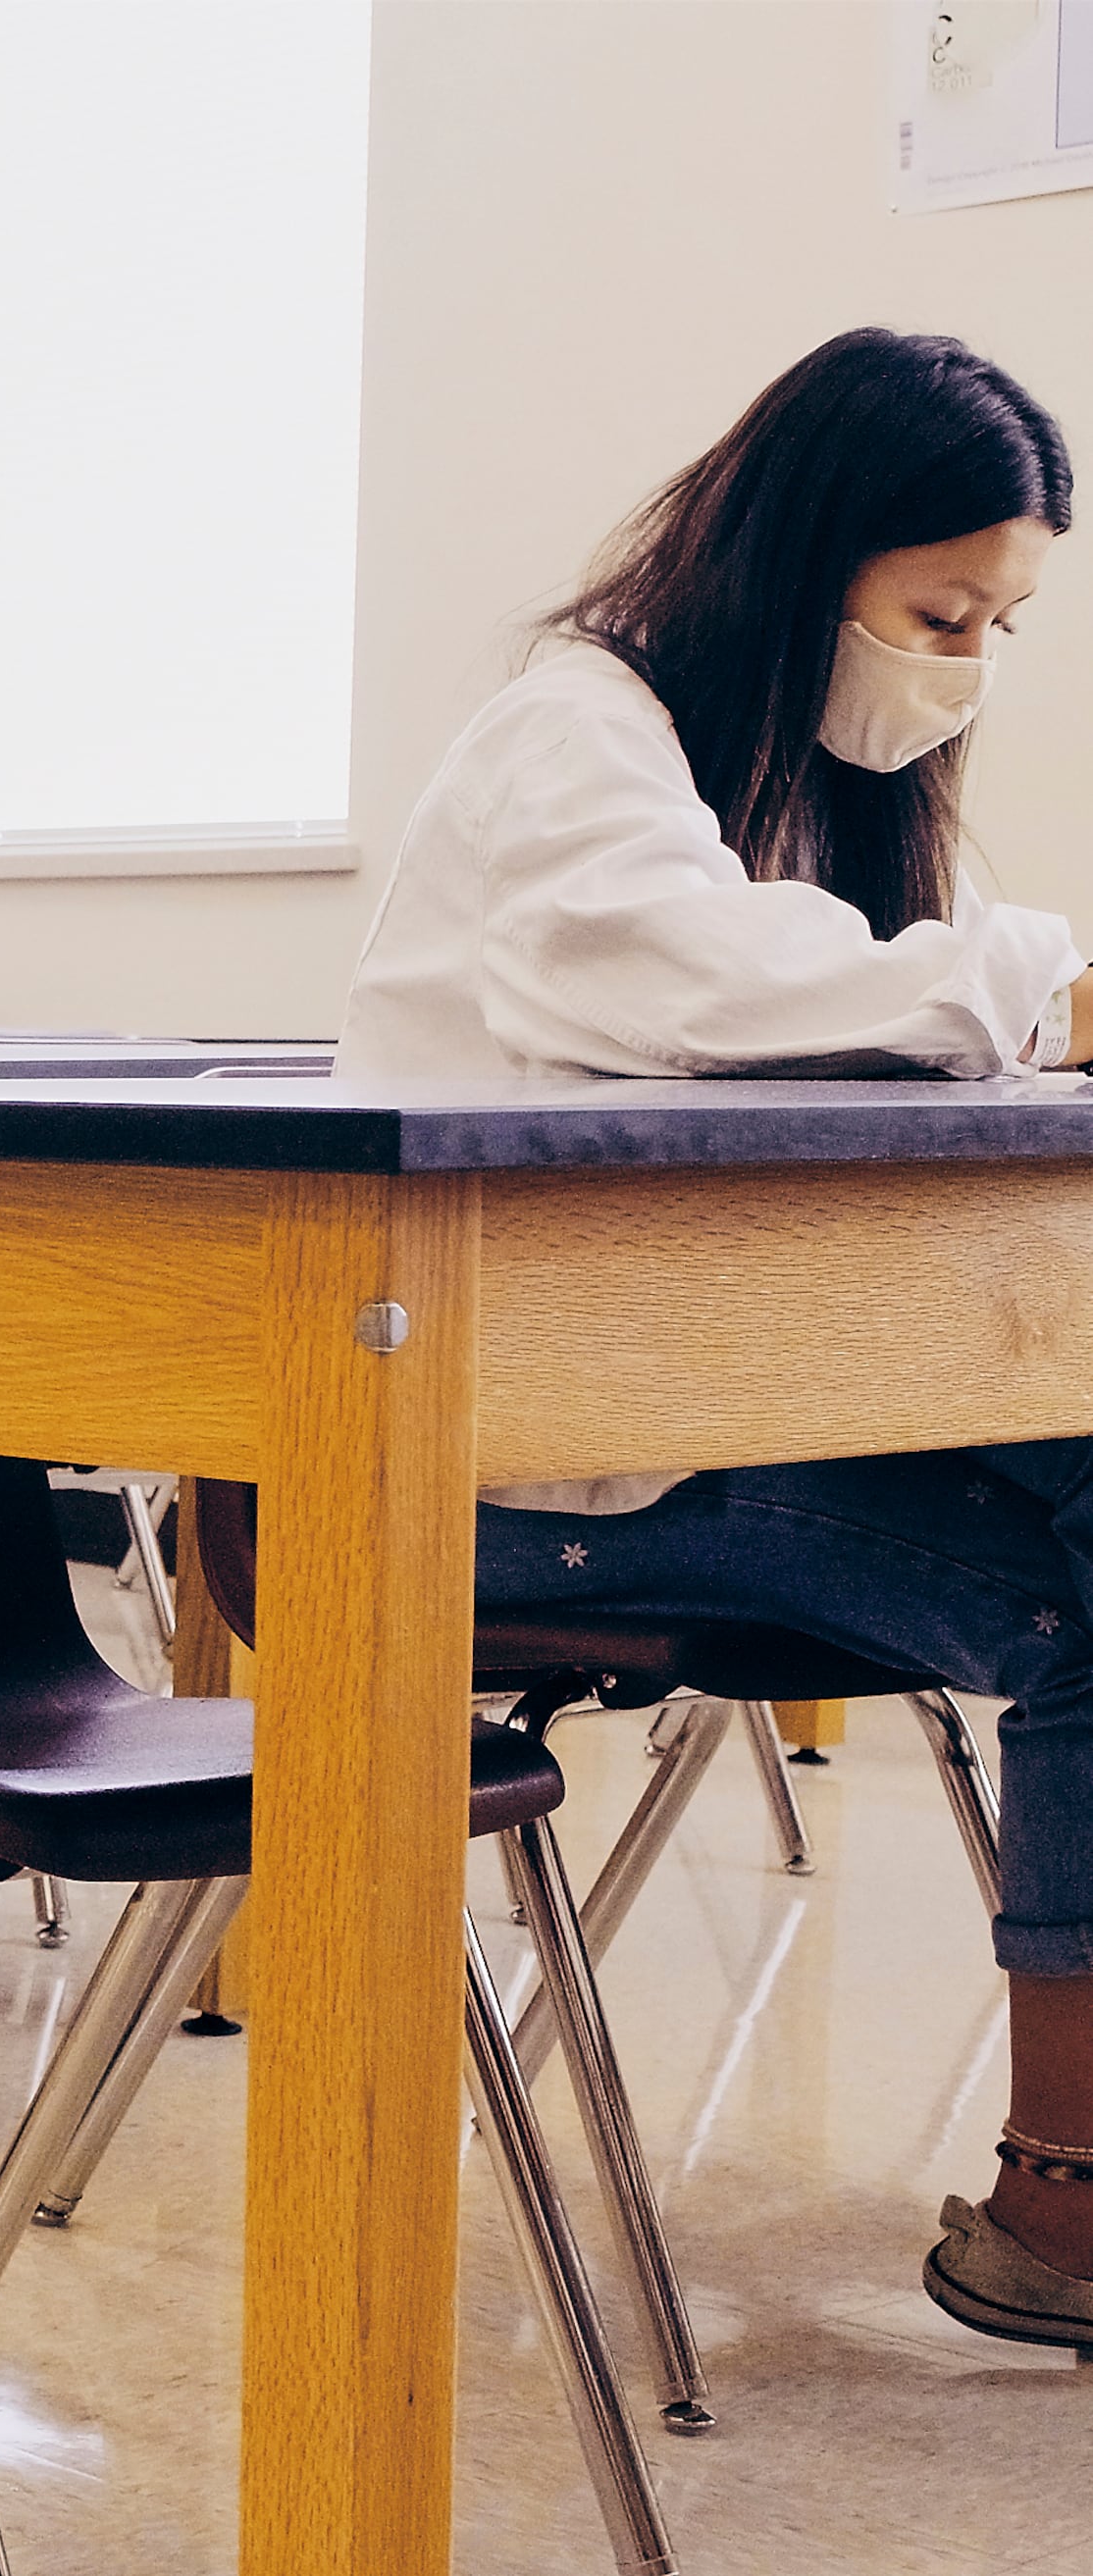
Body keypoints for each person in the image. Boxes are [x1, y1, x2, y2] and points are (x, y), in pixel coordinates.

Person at [335, 327, 1093, 2345]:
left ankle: (1067, 2185)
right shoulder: (571, 734)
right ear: (806, 553)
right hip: (503, 1453)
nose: (963, 664)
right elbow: (680, 982)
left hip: (725, 1409)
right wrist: (1039, 977)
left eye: (999, 625)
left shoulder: (828, 795)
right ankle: (1071, 2194)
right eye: (939, 612)